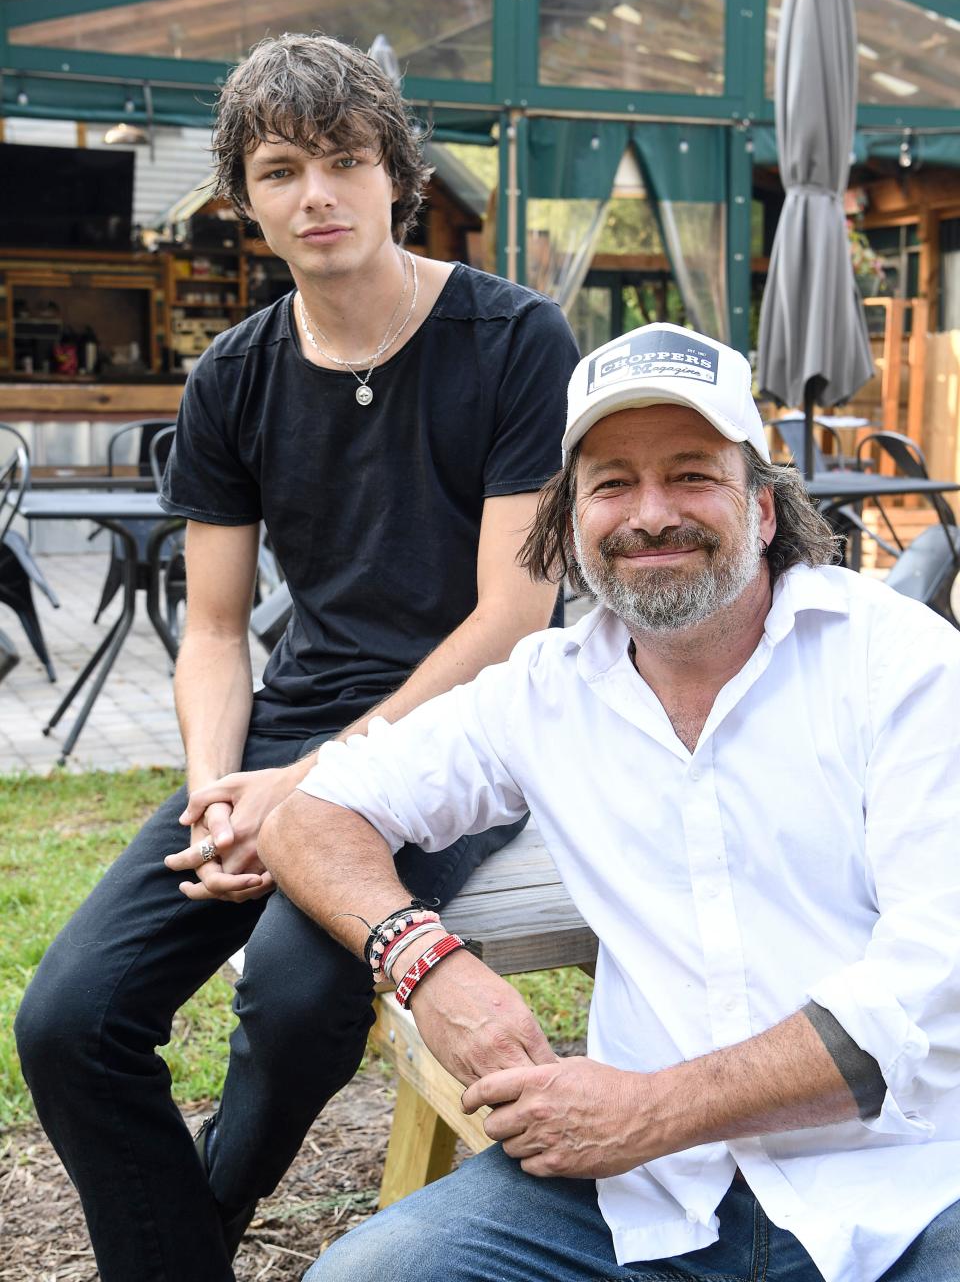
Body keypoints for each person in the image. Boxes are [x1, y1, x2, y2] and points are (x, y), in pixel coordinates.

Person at [15, 33, 579, 1282]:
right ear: (245, 201)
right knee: (67, 1021)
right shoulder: (232, 374)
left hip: (471, 727)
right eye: (280, 170)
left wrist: (308, 792)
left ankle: (193, 1223)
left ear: (397, 176)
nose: (315, 194)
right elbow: (214, 629)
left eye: (343, 161)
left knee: (297, 990)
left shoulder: (515, 339)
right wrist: (224, 790)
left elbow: (509, 620)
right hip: (288, 736)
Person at [256, 322, 960, 1282]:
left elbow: (933, 989)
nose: (650, 512)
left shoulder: (903, 664)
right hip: (646, 1195)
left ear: (762, 507)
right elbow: (313, 813)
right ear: (570, 520)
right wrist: (430, 967)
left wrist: (649, 1110)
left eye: (692, 474)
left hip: (908, 1179)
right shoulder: (543, 689)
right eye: (612, 483)